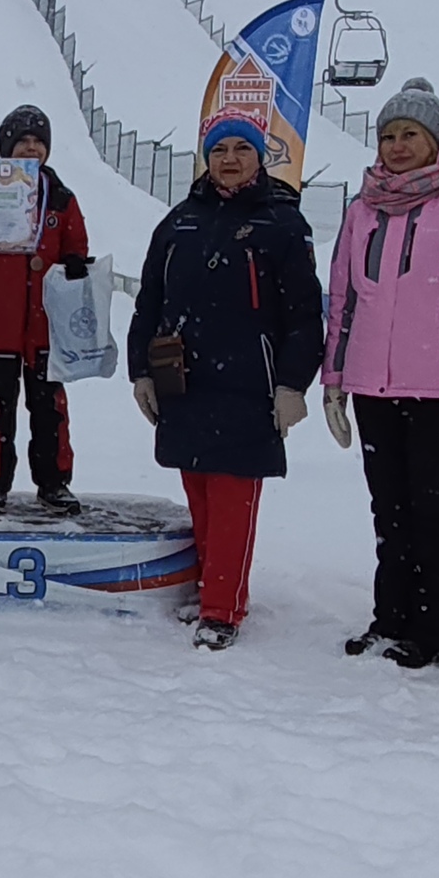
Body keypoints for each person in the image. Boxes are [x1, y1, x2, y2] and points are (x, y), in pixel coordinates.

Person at [322, 78, 439, 669]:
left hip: (438, 386)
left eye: (410, 134)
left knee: (432, 509)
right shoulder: (363, 209)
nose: (398, 146)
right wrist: (334, 380)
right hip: (372, 386)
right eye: (389, 136)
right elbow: (343, 299)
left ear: (437, 140)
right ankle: (391, 617)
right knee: (389, 509)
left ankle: (436, 628)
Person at [126, 112, 324, 650]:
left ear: (260, 157)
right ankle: (210, 589)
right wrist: (141, 371)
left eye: (241, 148)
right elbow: (149, 302)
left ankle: (222, 608)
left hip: (248, 384)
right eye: (219, 150)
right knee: (199, 492)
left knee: (234, 496)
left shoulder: (282, 224)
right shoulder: (180, 222)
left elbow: (304, 314)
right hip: (185, 381)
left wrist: (292, 383)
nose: (230, 159)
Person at [0, 104, 89, 515]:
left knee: (50, 410)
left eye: (38, 141)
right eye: (22, 141)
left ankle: (54, 482)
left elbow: (78, 246)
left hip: (47, 326)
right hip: (0, 324)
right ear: (6, 149)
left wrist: (75, 263)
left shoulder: (61, 199)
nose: (30, 148)